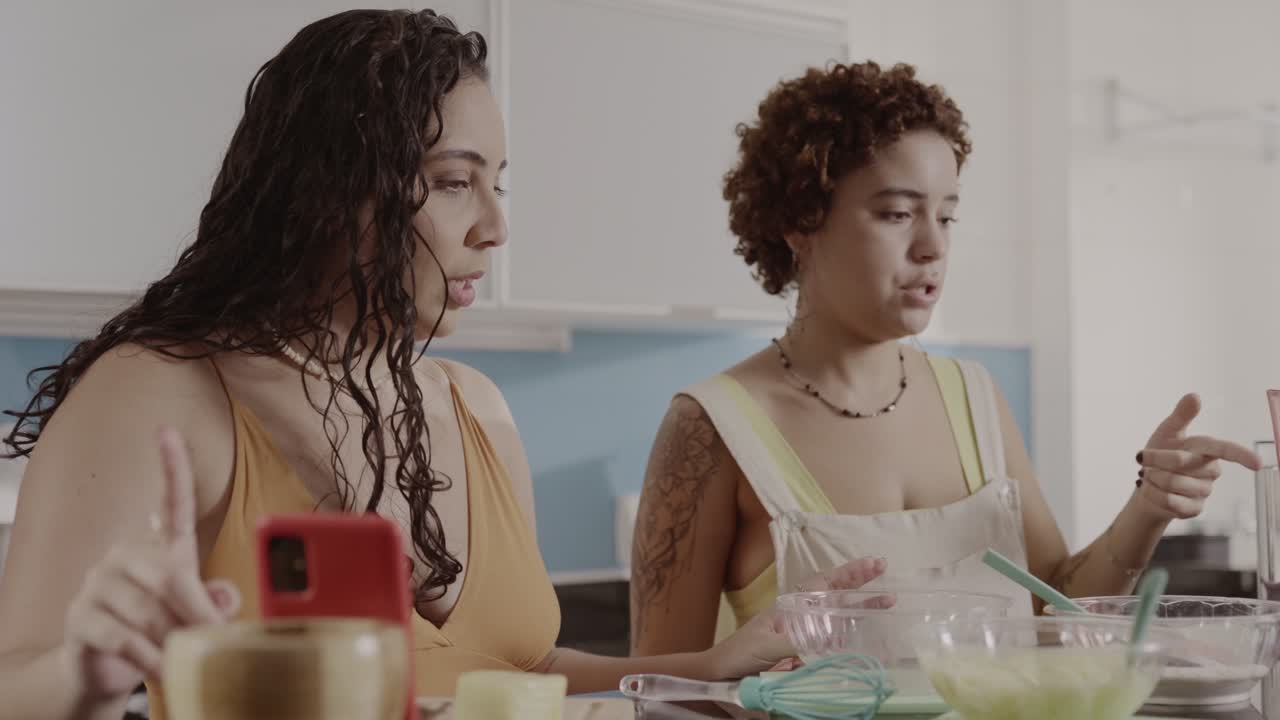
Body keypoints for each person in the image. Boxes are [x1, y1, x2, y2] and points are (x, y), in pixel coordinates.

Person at [0, 11, 881, 720]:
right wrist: (90, 676)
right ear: (331, 191)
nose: (495, 226)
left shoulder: (475, 406)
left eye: (499, 181)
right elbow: (16, 681)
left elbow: (520, 669)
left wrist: (715, 662)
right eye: (456, 181)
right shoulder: (162, 392)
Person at [628, 60, 1262, 655]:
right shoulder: (710, 428)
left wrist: (1150, 503)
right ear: (800, 221)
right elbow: (660, 692)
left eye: (948, 216)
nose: (932, 246)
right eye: (898, 213)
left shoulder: (974, 396)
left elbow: (1056, 615)